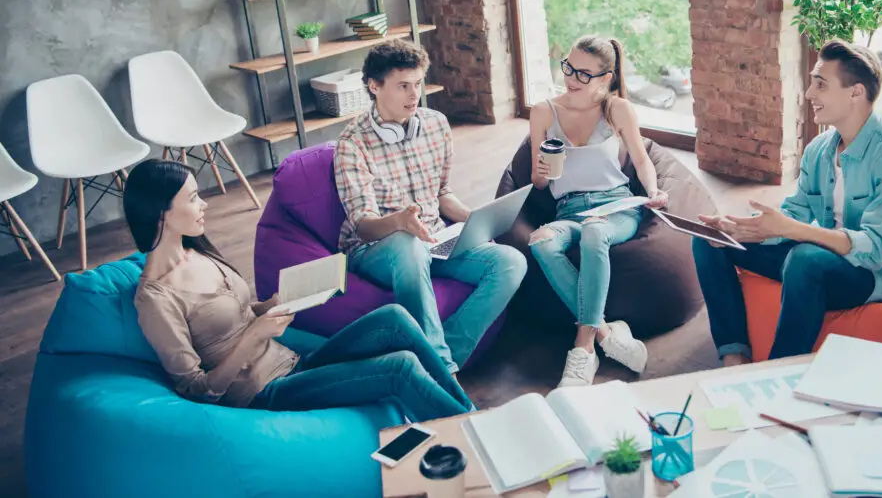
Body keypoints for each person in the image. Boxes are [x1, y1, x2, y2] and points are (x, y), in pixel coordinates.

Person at [127, 159, 473, 421]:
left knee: (394, 318)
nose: (204, 204)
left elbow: (237, 313)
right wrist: (254, 337)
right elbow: (197, 391)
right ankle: (470, 431)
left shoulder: (197, 252)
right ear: (161, 214)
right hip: (264, 392)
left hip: (292, 362)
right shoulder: (155, 299)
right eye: (192, 198)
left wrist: (270, 306)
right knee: (400, 368)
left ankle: (469, 412)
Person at [693, 40, 882, 365]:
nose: (809, 93)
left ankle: (775, 373)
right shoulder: (821, 148)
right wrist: (743, 228)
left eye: (820, 84)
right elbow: (795, 212)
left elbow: (876, 251)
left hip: (876, 274)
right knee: (710, 241)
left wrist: (795, 230)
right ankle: (733, 357)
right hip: (825, 258)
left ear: (856, 92)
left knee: (805, 258)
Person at [334, 40, 528, 377]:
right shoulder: (352, 144)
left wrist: (475, 221)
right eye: (403, 86)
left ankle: (442, 358)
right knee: (408, 246)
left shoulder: (436, 125)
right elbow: (363, 226)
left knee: (511, 261)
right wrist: (399, 222)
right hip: (377, 249)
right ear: (374, 86)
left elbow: (442, 194)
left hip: (434, 241)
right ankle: (443, 370)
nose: (414, 95)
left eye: (419, 83)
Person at [528, 35, 669, 387]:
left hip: (616, 206)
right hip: (569, 210)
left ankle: (584, 345)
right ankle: (606, 332)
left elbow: (641, 159)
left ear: (606, 77)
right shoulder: (544, 111)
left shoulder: (617, 109)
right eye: (569, 68)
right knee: (540, 241)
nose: (572, 79)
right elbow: (538, 181)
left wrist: (652, 191)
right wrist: (542, 174)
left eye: (584, 74)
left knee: (595, 231)